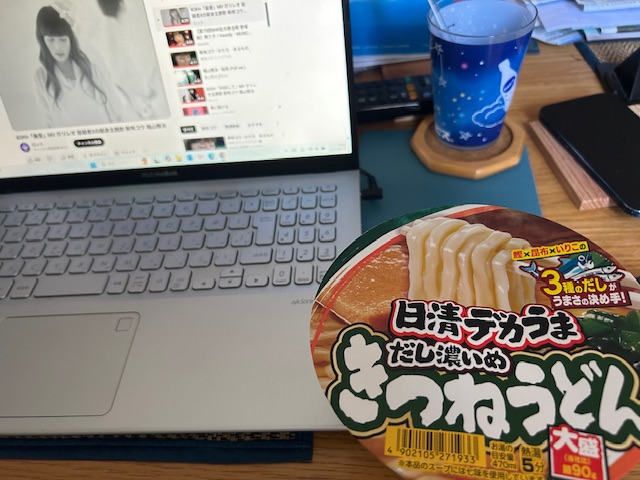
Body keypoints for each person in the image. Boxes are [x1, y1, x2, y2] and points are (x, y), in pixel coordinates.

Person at [34, 5, 122, 128]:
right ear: (43, 40)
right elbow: (47, 122)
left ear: (71, 39)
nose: (58, 47)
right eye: (51, 40)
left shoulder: (90, 64)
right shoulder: (41, 77)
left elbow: (114, 108)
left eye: (63, 40)